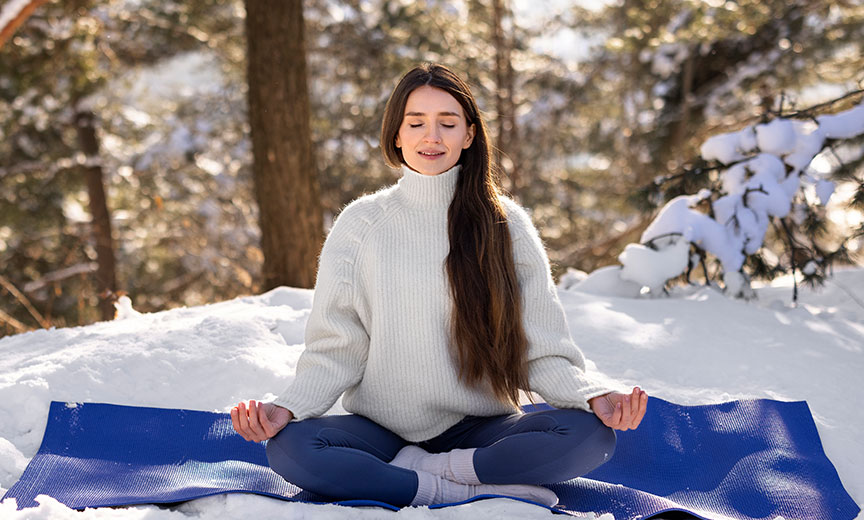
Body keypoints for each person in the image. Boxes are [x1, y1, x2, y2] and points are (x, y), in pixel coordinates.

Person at [231, 63, 647, 508]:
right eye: (417, 123)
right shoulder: (360, 224)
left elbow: (539, 347)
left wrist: (591, 396)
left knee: (589, 437)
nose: (432, 136)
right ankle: (450, 488)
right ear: (397, 135)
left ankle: (439, 472)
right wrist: (290, 406)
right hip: (383, 431)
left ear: (469, 135)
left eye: (447, 123)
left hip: (481, 430)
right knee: (292, 449)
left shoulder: (506, 225)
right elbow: (338, 345)